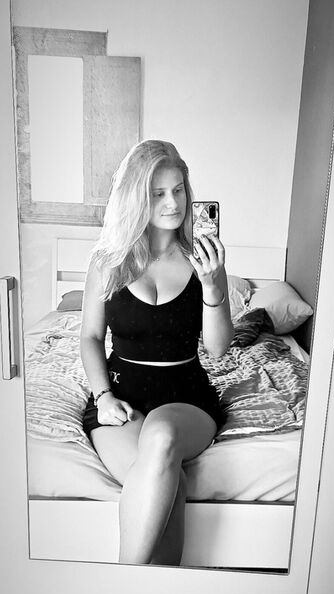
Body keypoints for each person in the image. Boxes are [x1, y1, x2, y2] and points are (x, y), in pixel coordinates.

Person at [80, 139, 233, 567]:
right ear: (136, 197)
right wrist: (102, 396)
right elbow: (90, 337)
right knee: (167, 482)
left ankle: (121, 585)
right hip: (120, 394)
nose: (173, 203)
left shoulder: (204, 259)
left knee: (162, 437)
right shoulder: (107, 261)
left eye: (179, 190)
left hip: (186, 397)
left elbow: (219, 349)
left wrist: (213, 287)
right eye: (158, 193)